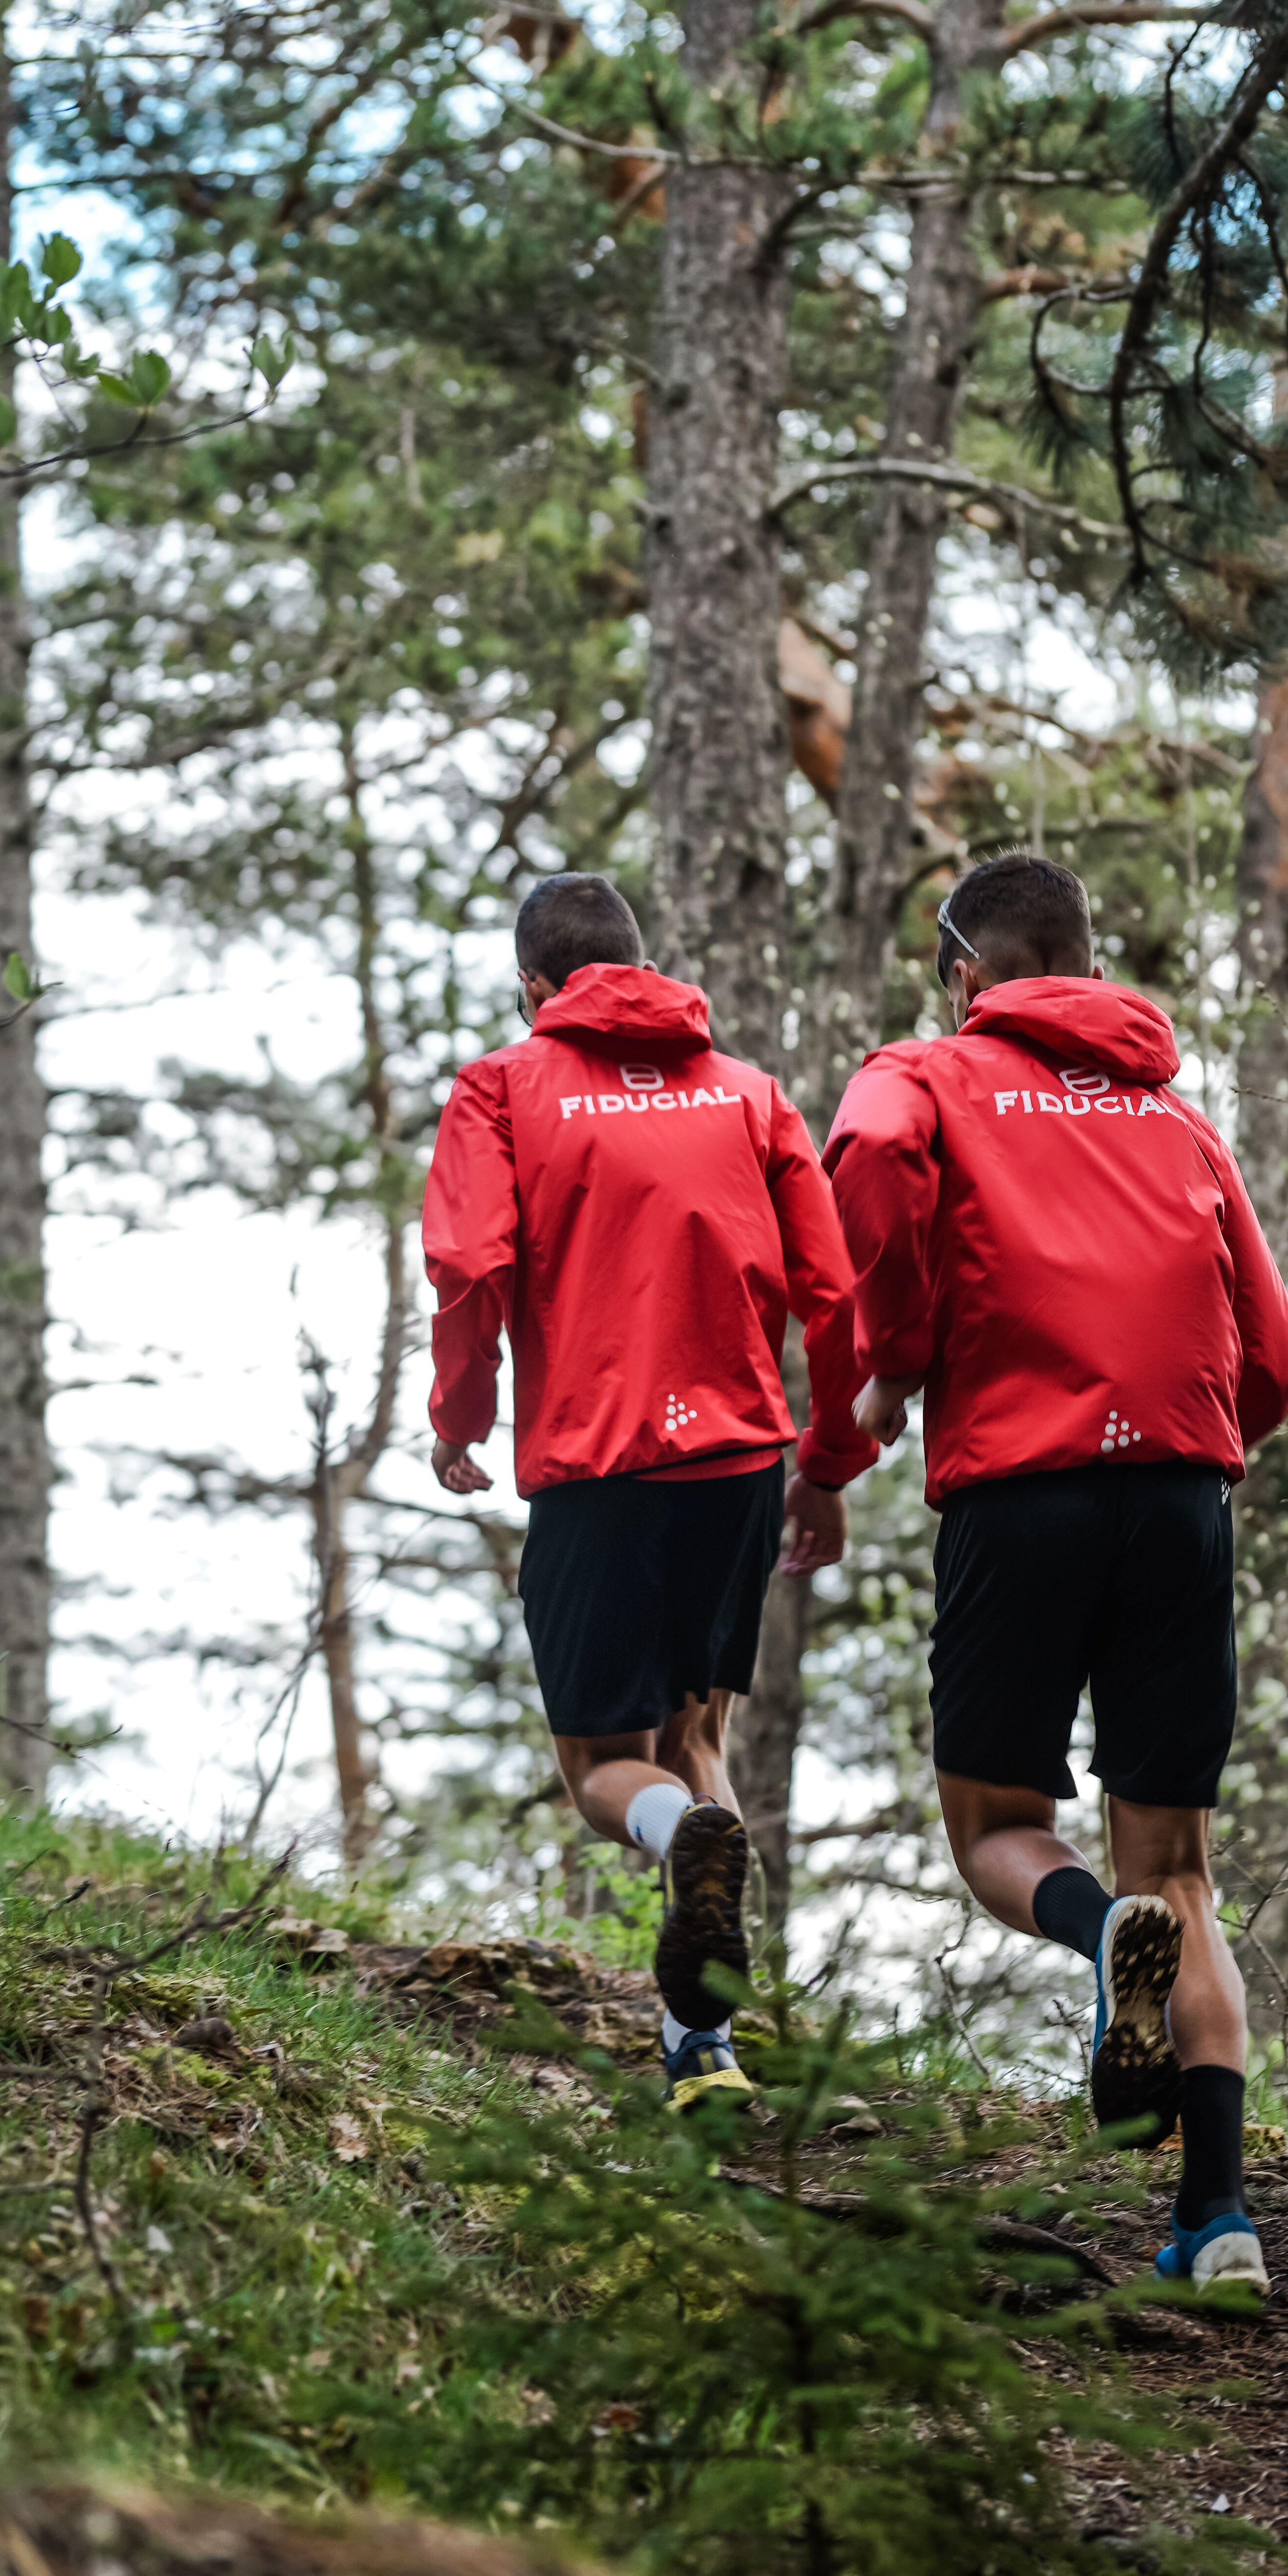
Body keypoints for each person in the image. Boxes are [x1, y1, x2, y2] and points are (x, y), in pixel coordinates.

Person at [825, 853, 1288, 2294]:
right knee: (1188, 1872)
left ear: (964, 970)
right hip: (1179, 1491)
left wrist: (898, 1359)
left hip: (1019, 1488)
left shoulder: (923, 1076)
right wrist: (1207, 1448)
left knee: (996, 1829)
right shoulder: (1178, 1121)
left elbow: (863, 1160)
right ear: (1088, 969)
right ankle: (1220, 2226)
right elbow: (1275, 1357)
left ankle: (1106, 1941)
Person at [423, 872, 879, 2107]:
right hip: (737, 1460)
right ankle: (705, 2052)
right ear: (640, 964)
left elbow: (469, 1266)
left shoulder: (500, 1088)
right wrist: (827, 1466)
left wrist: (457, 1419)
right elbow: (833, 1296)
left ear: (533, 989)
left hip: (597, 1462)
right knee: (698, 1740)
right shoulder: (748, 1095)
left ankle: (682, 1848)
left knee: (603, 1775)